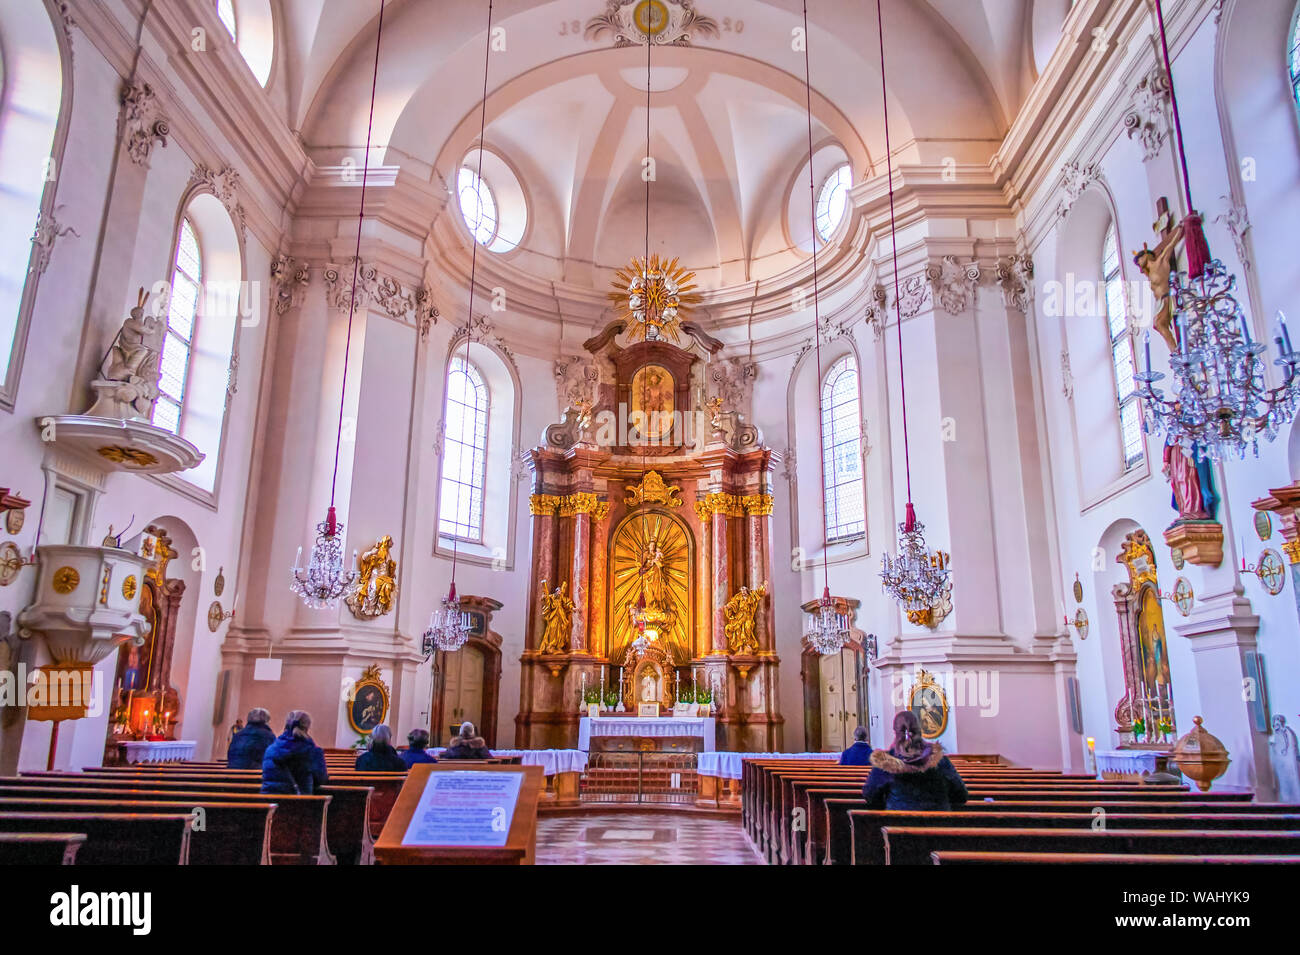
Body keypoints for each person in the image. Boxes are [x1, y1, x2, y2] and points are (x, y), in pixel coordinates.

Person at [862, 711, 967, 811]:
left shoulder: (884, 763)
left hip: (897, 825)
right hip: (939, 826)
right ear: (919, 729)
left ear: (896, 732)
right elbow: (961, 795)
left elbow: (870, 796)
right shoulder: (940, 760)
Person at [261, 710, 329, 795]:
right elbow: (321, 779)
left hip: (268, 801)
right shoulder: (313, 751)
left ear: (286, 725)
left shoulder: (271, 749)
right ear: (307, 727)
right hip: (297, 803)